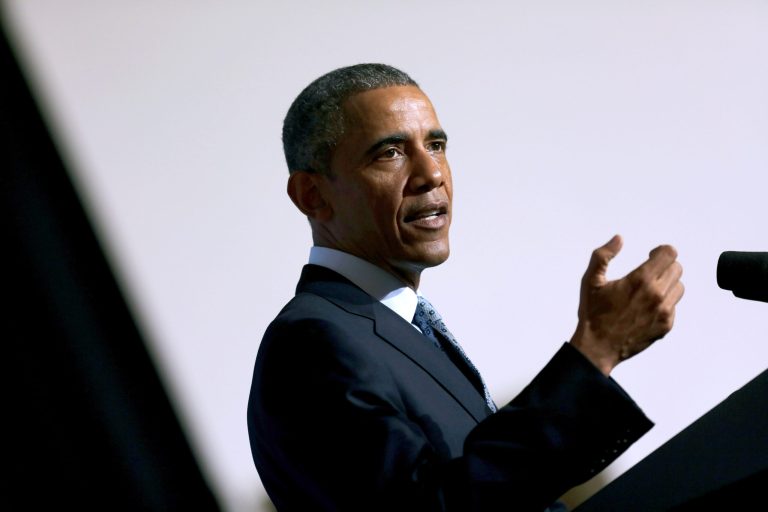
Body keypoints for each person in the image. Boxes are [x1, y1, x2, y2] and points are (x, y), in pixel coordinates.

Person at [247, 63, 684, 511]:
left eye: (435, 145)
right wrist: (596, 351)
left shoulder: (397, 328)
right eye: (390, 153)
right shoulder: (311, 343)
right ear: (312, 196)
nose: (431, 174)